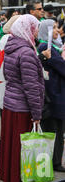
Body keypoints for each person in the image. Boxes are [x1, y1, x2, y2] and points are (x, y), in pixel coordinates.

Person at [0, 14, 44, 182]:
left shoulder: (12, 47)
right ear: (27, 29)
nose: (36, 32)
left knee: (13, 147)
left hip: (11, 105)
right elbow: (31, 87)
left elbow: (8, 76)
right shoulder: (26, 52)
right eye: (34, 28)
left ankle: (12, 180)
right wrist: (37, 113)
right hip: (22, 108)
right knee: (22, 149)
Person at [37, 19, 65, 172]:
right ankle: (55, 163)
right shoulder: (46, 47)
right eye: (53, 28)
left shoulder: (50, 47)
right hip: (54, 95)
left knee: (56, 129)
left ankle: (54, 161)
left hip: (54, 93)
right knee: (55, 130)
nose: (57, 30)